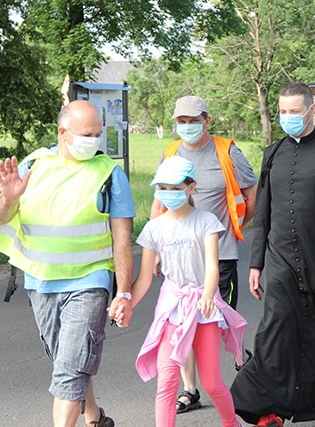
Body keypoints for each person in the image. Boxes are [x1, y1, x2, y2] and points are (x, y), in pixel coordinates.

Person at [0, 100, 135, 427]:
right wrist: (9, 197)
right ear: (62, 132)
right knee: (67, 360)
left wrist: (123, 293)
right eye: (85, 134)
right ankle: (94, 417)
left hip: (90, 282)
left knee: (71, 367)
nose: (93, 140)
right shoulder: (34, 165)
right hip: (41, 281)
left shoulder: (110, 173)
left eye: (98, 133)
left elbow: (122, 239)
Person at [230, 81, 315, 426]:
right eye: (283, 112)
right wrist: (256, 262)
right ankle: (267, 406)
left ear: (311, 110)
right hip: (280, 260)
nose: (288, 117)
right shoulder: (272, 153)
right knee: (276, 330)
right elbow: (263, 214)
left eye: (294, 111)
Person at [120, 156, 246, 427]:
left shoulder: (206, 221)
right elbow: (143, 279)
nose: (168, 194)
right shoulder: (154, 228)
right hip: (172, 308)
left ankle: (231, 423)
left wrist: (207, 295)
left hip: (204, 308)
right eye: (162, 188)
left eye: (175, 188)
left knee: (212, 382)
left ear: (190, 188)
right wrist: (126, 302)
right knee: (166, 382)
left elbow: (213, 265)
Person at [150, 95, 257, 413]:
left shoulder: (227, 151)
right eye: (181, 121)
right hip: (178, 258)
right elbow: (159, 200)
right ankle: (190, 389)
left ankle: (242, 362)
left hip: (219, 255)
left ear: (207, 120)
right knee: (183, 324)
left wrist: (234, 227)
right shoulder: (170, 152)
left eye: (193, 121)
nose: (187, 126)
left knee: (217, 322)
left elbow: (252, 194)